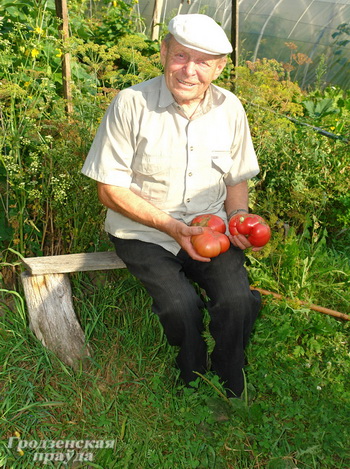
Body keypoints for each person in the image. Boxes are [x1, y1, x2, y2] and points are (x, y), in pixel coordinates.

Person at [82, 14, 262, 398]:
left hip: (212, 229)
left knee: (237, 300)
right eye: (181, 56)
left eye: (203, 62)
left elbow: (237, 178)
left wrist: (237, 218)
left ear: (219, 67)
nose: (189, 71)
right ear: (163, 52)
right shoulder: (131, 103)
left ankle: (232, 375)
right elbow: (110, 190)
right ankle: (192, 376)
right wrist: (171, 227)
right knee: (180, 306)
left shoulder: (230, 108)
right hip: (143, 232)